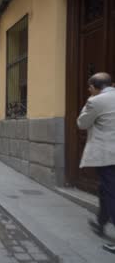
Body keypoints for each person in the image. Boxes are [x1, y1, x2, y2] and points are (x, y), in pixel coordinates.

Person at [77, 72, 115, 254]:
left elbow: (82, 124)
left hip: (108, 156)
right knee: (105, 190)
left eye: (89, 87)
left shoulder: (96, 101)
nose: (88, 90)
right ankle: (101, 222)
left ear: (95, 87)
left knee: (110, 192)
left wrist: (89, 100)